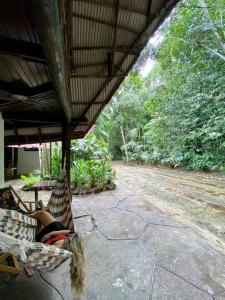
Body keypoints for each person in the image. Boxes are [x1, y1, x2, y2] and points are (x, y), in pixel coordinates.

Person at [29, 200, 85, 295]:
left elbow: (37, 251)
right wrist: (52, 233)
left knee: (40, 214)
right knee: (42, 214)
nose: (71, 236)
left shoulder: (57, 248)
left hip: (45, 236)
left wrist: (30, 265)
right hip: (55, 232)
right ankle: (39, 212)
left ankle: (24, 216)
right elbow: (69, 232)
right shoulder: (70, 242)